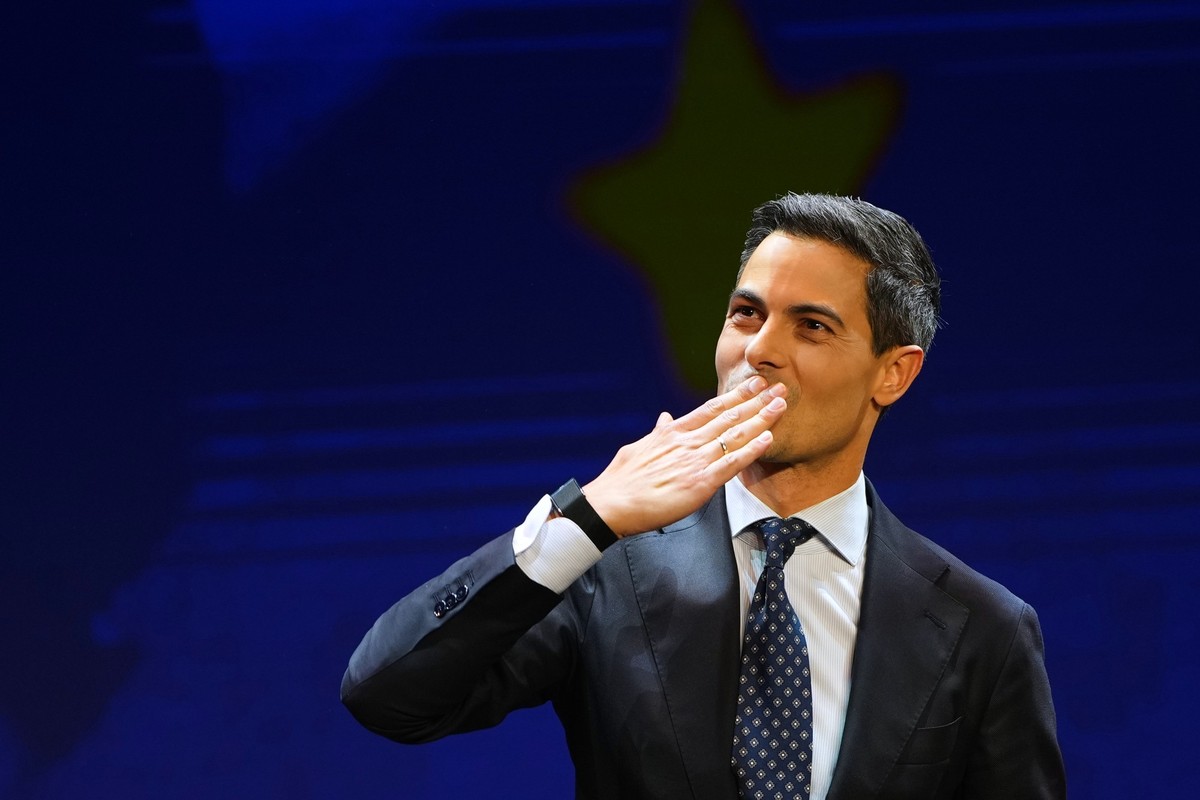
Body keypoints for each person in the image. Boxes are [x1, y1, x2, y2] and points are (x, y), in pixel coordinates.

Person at [341, 193, 1066, 799]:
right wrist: (585, 520)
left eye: (810, 326)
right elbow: (388, 697)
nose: (759, 350)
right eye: (747, 314)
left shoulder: (983, 628)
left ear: (893, 375)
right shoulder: (605, 565)